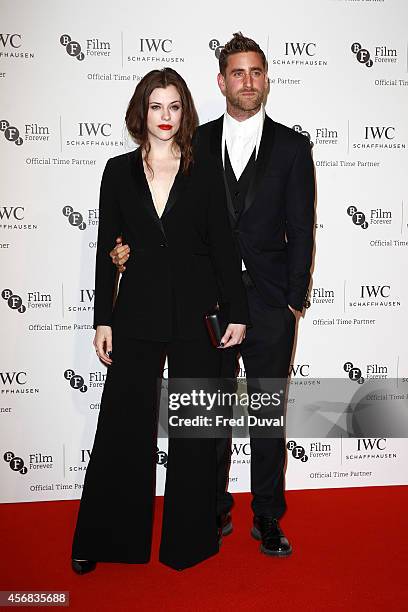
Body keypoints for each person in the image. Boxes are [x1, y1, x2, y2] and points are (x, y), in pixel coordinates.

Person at [111, 33, 315, 557]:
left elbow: (302, 228)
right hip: (207, 305)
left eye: (257, 72)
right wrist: (124, 253)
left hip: (270, 305)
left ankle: (267, 516)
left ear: (266, 78)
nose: (249, 81)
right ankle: (212, 509)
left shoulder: (293, 147)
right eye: (238, 73)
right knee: (210, 416)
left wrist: (293, 300)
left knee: (267, 414)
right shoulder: (192, 142)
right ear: (221, 81)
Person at [71, 67, 249, 574]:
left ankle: (188, 542)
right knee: (121, 426)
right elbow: (110, 251)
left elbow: (223, 247)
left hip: (197, 311)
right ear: (141, 112)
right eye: (156, 106)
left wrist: (236, 312)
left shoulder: (205, 171)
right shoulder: (117, 171)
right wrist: (103, 318)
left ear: (184, 112)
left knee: (194, 428)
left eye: (174, 107)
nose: (165, 117)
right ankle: (103, 538)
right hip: (138, 312)